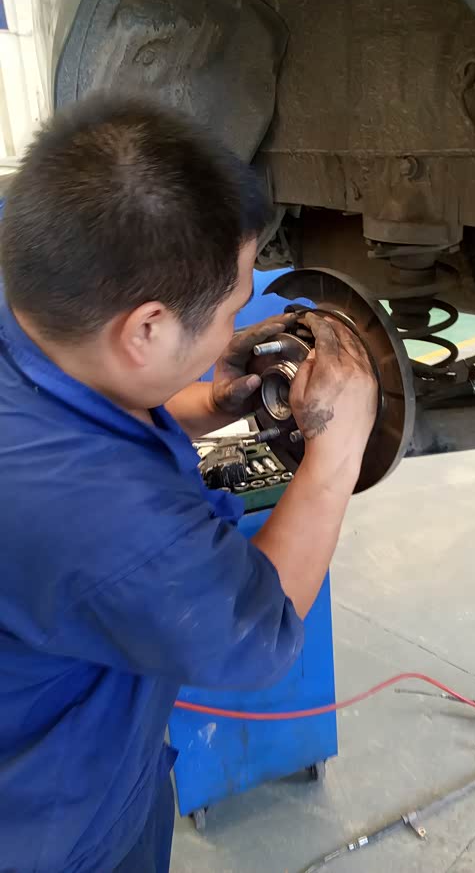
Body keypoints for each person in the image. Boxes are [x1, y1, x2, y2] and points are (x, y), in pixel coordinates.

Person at [0, 94, 377, 873]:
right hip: (60, 832)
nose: (237, 321)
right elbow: (257, 633)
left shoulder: (33, 318)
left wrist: (206, 400)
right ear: (146, 329)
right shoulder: (111, 521)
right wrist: (338, 449)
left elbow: (84, 408)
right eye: (234, 304)